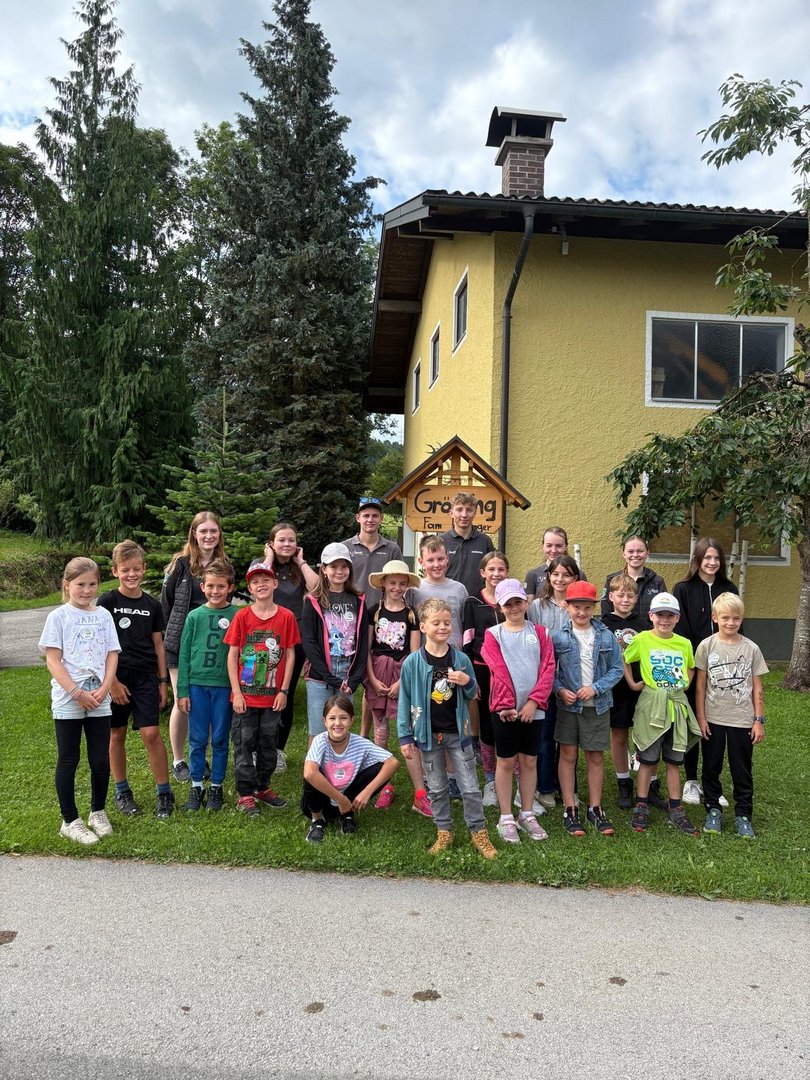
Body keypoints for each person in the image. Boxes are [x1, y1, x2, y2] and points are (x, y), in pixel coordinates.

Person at [397, 599, 497, 859]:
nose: (443, 627)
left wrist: (467, 681)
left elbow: (474, 693)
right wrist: (405, 736)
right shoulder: (412, 663)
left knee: (470, 787)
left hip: (458, 734)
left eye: (446, 622)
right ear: (423, 626)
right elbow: (404, 701)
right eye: (436, 623)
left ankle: (479, 832)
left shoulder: (461, 659)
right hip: (427, 736)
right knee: (437, 788)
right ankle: (444, 831)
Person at [38, 557, 121, 845]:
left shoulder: (104, 616)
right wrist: (76, 692)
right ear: (67, 585)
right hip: (69, 696)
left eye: (92, 584)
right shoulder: (58, 617)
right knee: (69, 758)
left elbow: (112, 654)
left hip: (99, 695)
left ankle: (97, 811)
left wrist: (106, 687)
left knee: (100, 758)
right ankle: (70, 821)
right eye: (80, 584)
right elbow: (53, 660)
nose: (87, 591)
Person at [98, 540, 174, 820]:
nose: (132, 574)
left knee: (151, 734)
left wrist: (162, 682)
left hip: (145, 678)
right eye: (125, 569)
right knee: (116, 734)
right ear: (115, 571)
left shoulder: (152, 604)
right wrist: (112, 683)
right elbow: (100, 645)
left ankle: (164, 792)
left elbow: (158, 645)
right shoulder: (107, 602)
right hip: (116, 678)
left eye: (137, 569)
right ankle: (122, 791)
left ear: (143, 569)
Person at [224, 559, 301, 816]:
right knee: (244, 744)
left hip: (273, 697)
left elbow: (290, 654)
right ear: (250, 588)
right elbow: (232, 655)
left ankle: (262, 787)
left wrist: (284, 691)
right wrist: (236, 692)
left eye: (266, 580)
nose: (261, 585)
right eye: (255, 582)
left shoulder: (286, 617)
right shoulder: (242, 616)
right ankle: (245, 794)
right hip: (245, 698)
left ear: (275, 583)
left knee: (269, 744)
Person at [481, 580, 555, 844]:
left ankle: (526, 812)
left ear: (525, 602)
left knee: (529, 760)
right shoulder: (493, 635)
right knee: (505, 760)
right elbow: (498, 670)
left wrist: (534, 702)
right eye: (507, 604)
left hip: (533, 709)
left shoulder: (541, 633)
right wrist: (506, 705)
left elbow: (548, 668)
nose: (513, 608)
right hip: (505, 710)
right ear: (500, 607)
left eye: (518, 602)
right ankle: (505, 817)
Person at [623, 592, 702, 836]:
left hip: (675, 706)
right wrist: (633, 683)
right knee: (647, 758)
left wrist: (686, 684)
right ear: (651, 616)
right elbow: (624, 659)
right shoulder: (643, 639)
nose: (664, 620)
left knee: (673, 760)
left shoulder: (683, 643)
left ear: (677, 618)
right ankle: (641, 804)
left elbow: (691, 666)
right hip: (652, 705)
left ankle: (676, 808)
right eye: (660, 615)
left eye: (670, 615)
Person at [551, 581, 623, 837]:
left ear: (594, 608)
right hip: (568, 707)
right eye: (576, 607)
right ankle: (570, 807)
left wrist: (596, 688)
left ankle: (595, 807)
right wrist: (560, 690)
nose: (581, 612)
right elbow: (549, 672)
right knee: (568, 755)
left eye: (587, 607)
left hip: (597, 707)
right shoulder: (558, 637)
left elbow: (617, 668)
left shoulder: (605, 636)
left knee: (595, 756)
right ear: (566, 606)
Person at [161, 511, 228, 782]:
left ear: (219, 534)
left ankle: (201, 756)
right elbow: (166, 604)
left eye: (213, 531)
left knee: (205, 704)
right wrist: (173, 634)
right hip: (180, 644)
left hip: (211, 645)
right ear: (194, 534)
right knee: (183, 700)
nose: (208, 536)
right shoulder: (180, 565)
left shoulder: (224, 564)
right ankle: (179, 760)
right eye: (203, 531)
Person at [695, 593, 768, 839]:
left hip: (742, 719)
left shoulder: (751, 648)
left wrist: (758, 720)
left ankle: (743, 814)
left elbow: (757, 687)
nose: (730, 622)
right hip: (713, 719)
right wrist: (701, 718)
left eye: (736, 618)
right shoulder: (706, 646)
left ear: (742, 619)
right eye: (725, 617)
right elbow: (700, 686)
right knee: (711, 766)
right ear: (715, 618)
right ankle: (713, 809)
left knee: (742, 769)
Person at [672, 538, 738, 806]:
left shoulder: (729, 588)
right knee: (692, 724)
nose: (712, 563)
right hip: (692, 665)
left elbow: (736, 626)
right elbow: (680, 630)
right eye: (707, 557)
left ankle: (712, 782)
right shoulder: (683, 589)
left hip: (721, 668)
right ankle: (690, 780)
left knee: (714, 726)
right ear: (697, 559)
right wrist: (697, 662)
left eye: (716, 558)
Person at [176, 561, 238, 812]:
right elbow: (184, 654)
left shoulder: (237, 615)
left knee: (221, 737)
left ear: (230, 587)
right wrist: (182, 690)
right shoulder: (194, 616)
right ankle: (196, 785)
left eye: (221, 586)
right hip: (197, 685)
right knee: (198, 738)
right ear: (202, 587)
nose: (215, 591)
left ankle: (216, 787)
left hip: (224, 686)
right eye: (210, 586)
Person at [365, 560, 426, 813]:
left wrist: (403, 682)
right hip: (378, 672)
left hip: (402, 674)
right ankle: (385, 785)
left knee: (407, 731)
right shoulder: (373, 612)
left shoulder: (411, 614)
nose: (397, 588)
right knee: (380, 733)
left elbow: (414, 653)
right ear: (383, 583)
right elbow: (367, 649)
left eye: (402, 583)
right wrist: (372, 679)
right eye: (392, 583)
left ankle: (420, 792)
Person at [302, 695, 400, 843]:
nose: (337, 723)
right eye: (332, 718)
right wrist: (340, 799)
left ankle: (347, 815)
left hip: (348, 801)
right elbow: (309, 773)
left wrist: (367, 792)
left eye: (343, 718)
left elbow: (393, 762)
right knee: (312, 773)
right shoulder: (320, 740)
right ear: (324, 721)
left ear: (352, 720)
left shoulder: (360, 743)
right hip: (320, 802)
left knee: (381, 768)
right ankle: (317, 820)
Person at [527, 554, 583, 809]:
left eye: (566, 575)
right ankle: (546, 787)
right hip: (545, 681)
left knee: (569, 739)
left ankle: (567, 787)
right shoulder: (536, 607)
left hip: (572, 680)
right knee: (545, 736)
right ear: (549, 576)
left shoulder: (578, 606)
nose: (560, 579)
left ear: (575, 577)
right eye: (556, 574)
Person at [263, 522, 320, 769]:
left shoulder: (298, 569)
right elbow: (261, 583)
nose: (287, 544)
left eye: (291, 540)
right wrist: (268, 558)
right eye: (281, 540)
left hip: (294, 639)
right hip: (265, 638)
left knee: (284, 692)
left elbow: (317, 588)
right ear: (271, 543)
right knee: (263, 691)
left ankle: (277, 750)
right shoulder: (263, 565)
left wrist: (301, 561)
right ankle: (259, 748)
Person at [301, 543, 368, 742]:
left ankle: (340, 762)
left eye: (344, 566)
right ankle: (314, 763)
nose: (339, 571)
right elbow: (309, 642)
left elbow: (363, 641)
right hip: (320, 674)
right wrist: (328, 676)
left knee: (341, 729)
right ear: (324, 569)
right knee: (318, 732)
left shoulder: (358, 600)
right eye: (333, 566)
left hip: (347, 672)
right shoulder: (313, 601)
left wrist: (355, 678)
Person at [462, 550, 509, 805]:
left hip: (508, 671)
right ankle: (491, 780)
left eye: (501, 569)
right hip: (481, 669)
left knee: (508, 721)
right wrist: (471, 676)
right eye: (491, 569)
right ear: (483, 572)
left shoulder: (512, 599)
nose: (496, 574)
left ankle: (512, 776)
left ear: (507, 572)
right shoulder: (473, 601)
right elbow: (467, 642)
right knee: (488, 725)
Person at [600, 574, 646, 810]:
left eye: (630, 596)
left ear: (636, 598)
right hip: (615, 688)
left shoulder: (645, 624)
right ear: (611, 597)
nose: (625, 600)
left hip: (642, 687)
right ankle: (623, 781)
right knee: (619, 735)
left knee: (645, 735)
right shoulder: (603, 625)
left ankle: (650, 783)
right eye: (620, 595)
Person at [341, 497, 402, 609]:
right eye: (366, 516)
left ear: (381, 518)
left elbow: (400, 581)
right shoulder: (345, 548)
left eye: (375, 516)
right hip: (351, 610)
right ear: (358, 518)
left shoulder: (392, 549)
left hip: (382, 611)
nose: (370, 520)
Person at [411, 536, 468, 647]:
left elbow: (466, 626)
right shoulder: (414, 590)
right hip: (424, 654)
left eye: (440, 559)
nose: (436, 565)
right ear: (421, 561)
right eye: (430, 560)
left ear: (447, 558)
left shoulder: (459, 589)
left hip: (455, 654)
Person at [441, 491, 495, 597]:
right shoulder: (441, 541)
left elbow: (492, 572)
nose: (464, 515)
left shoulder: (484, 541)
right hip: (447, 600)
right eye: (459, 510)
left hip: (478, 601)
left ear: (474, 513)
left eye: (469, 510)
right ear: (451, 513)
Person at [600, 536, 667, 622]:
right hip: (618, 629)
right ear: (624, 554)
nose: (635, 555)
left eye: (640, 551)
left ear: (647, 553)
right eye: (630, 551)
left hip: (649, 630)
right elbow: (606, 614)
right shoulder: (612, 580)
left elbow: (663, 612)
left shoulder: (657, 582)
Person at [524, 526, 587, 603]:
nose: (553, 550)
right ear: (543, 546)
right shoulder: (532, 575)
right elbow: (529, 606)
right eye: (549, 545)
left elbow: (584, 604)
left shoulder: (579, 574)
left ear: (566, 547)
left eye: (559, 546)